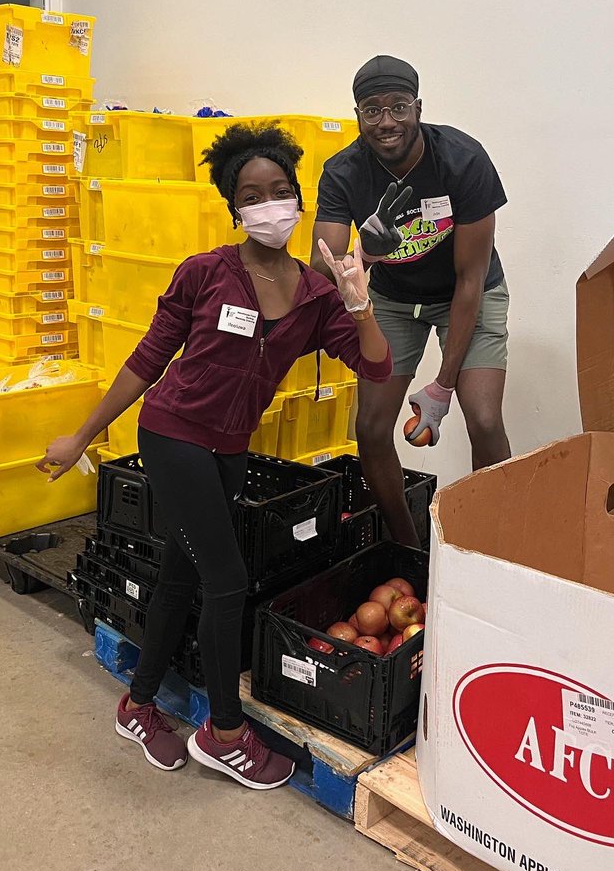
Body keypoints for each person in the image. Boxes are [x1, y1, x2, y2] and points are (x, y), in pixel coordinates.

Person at [39, 122, 392, 788]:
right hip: (173, 435)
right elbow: (148, 359)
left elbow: (376, 368)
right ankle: (225, 733)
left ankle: (138, 705)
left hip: (229, 451)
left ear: (297, 199)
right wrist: (82, 436)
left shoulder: (316, 296)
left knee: (181, 575)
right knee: (227, 582)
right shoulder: (205, 273)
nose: (268, 205)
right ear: (235, 208)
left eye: (279, 191)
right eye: (251, 196)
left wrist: (359, 305)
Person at [311, 55, 510, 548]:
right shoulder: (343, 172)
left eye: (398, 107)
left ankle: (492, 548)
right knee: (371, 428)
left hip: (467, 293)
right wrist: (366, 253)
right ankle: (409, 548)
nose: (387, 122)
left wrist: (442, 386)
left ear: (418, 108)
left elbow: (470, 279)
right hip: (394, 299)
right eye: (372, 110)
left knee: (484, 420)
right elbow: (324, 267)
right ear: (358, 115)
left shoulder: (463, 160)